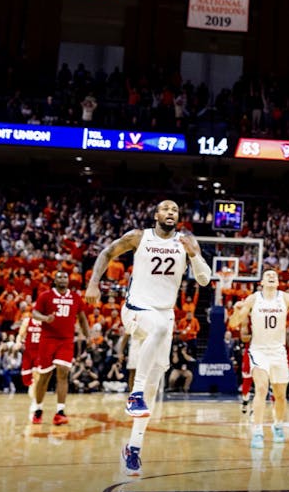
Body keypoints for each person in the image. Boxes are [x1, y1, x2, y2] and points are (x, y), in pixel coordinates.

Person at [85, 199, 211, 477]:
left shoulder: (186, 240)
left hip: (165, 314)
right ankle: (135, 392)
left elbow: (204, 280)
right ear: (156, 215)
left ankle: (133, 448)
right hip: (136, 308)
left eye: (176, 210)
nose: (171, 212)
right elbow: (107, 252)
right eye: (166, 208)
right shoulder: (139, 236)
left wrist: (195, 256)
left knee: (156, 383)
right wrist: (94, 282)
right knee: (157, 332)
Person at [228, 269, 289, 448]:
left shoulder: (286, 298)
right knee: (261, 388)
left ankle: (278, 425)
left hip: (278, 352)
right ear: (261, 281)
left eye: (274, 275)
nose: (271, 276)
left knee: (280, 395)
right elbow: (234, 323)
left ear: (277, 282)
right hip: (258, 350)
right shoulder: (253, 298)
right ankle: (258, 430)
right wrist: (236, 311)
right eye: (267, 274)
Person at [31, 270, 89, 425]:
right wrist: (45, 318)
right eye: (59, 277)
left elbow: (82, 319)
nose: (63, 279)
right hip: (47, 340)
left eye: (65, 277)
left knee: (63, 374)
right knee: (44, 376)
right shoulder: (45, 295)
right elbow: (34, 313)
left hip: (66, 341)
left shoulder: (76, 297)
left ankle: (60, 412)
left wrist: (88, 336)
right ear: (54, 280)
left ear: (68, 280)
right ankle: (38, 409)